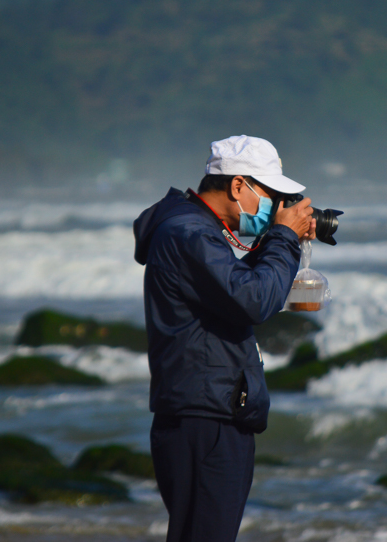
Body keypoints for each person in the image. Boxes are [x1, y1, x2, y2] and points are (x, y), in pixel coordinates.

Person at [133, 135, 315, 542]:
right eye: (270, 195)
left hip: (205, 409)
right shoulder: (189, 234)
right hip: (205, 416)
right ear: (238, 186)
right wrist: (283, 238)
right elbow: (252, 300)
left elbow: (230, 289)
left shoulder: (190, 229)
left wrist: (278, 240)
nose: (275, 208)